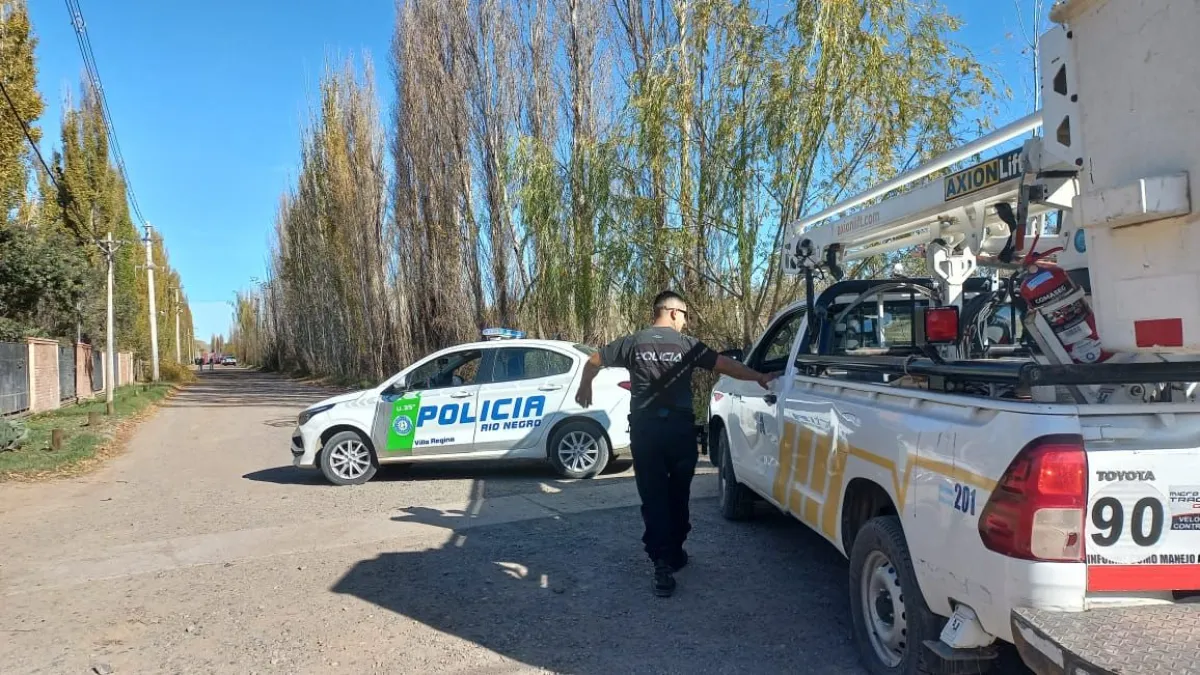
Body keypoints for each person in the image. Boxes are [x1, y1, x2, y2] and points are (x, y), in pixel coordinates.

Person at [575, 290, 777, 597]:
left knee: (654, 496)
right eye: (684, 315)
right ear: (671, 312)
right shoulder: (687, 345)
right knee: (678, 493)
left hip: (646, 432)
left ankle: (661, 562)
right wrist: (758, 377)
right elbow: (724, 364)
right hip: (679, 432)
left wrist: (585, 386)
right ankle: (675, 552)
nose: (685, 321)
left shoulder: (632, 342)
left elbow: (594, 360)